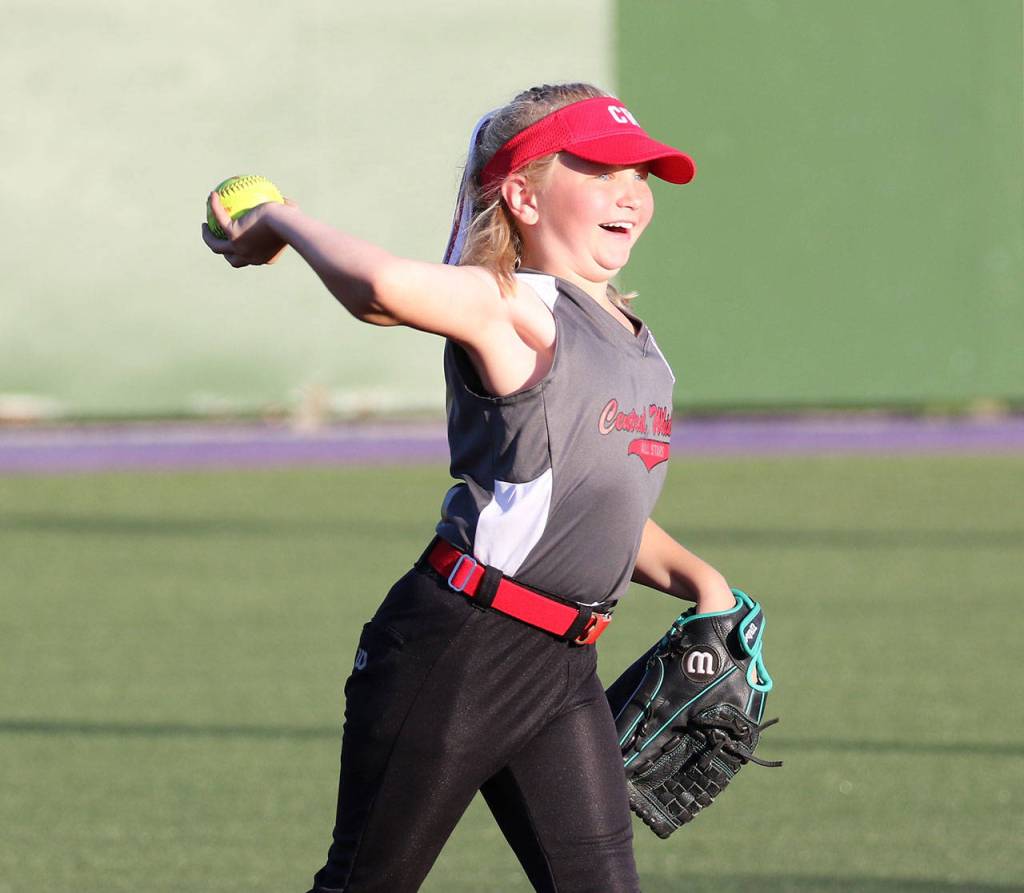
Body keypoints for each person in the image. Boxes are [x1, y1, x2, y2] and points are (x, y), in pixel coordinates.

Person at [203, 82, 738, 893]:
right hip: (456, 650)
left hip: (563, 669)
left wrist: (705, 584)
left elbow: (589, 505)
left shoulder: (638, 348)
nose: (629, 191)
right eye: (598, 169)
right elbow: (380, 287)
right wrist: (279, 218)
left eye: (641, 174)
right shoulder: (516, 306)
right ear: (523, 193)